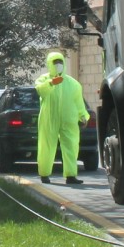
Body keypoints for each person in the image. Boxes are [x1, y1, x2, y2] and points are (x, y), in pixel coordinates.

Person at [35, 50, 91, 185]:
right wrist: (51, 83)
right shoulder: (43, 80)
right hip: (49, 119)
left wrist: (83, 116)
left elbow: (78, 102)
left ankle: (71, 175)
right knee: (46, 146)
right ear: (49, 64)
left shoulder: (73, 84)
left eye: (60, 62)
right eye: (55, 62)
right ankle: (44, 174)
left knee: (71, 146)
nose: (58, 64)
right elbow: (40, 91)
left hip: (69, 120)